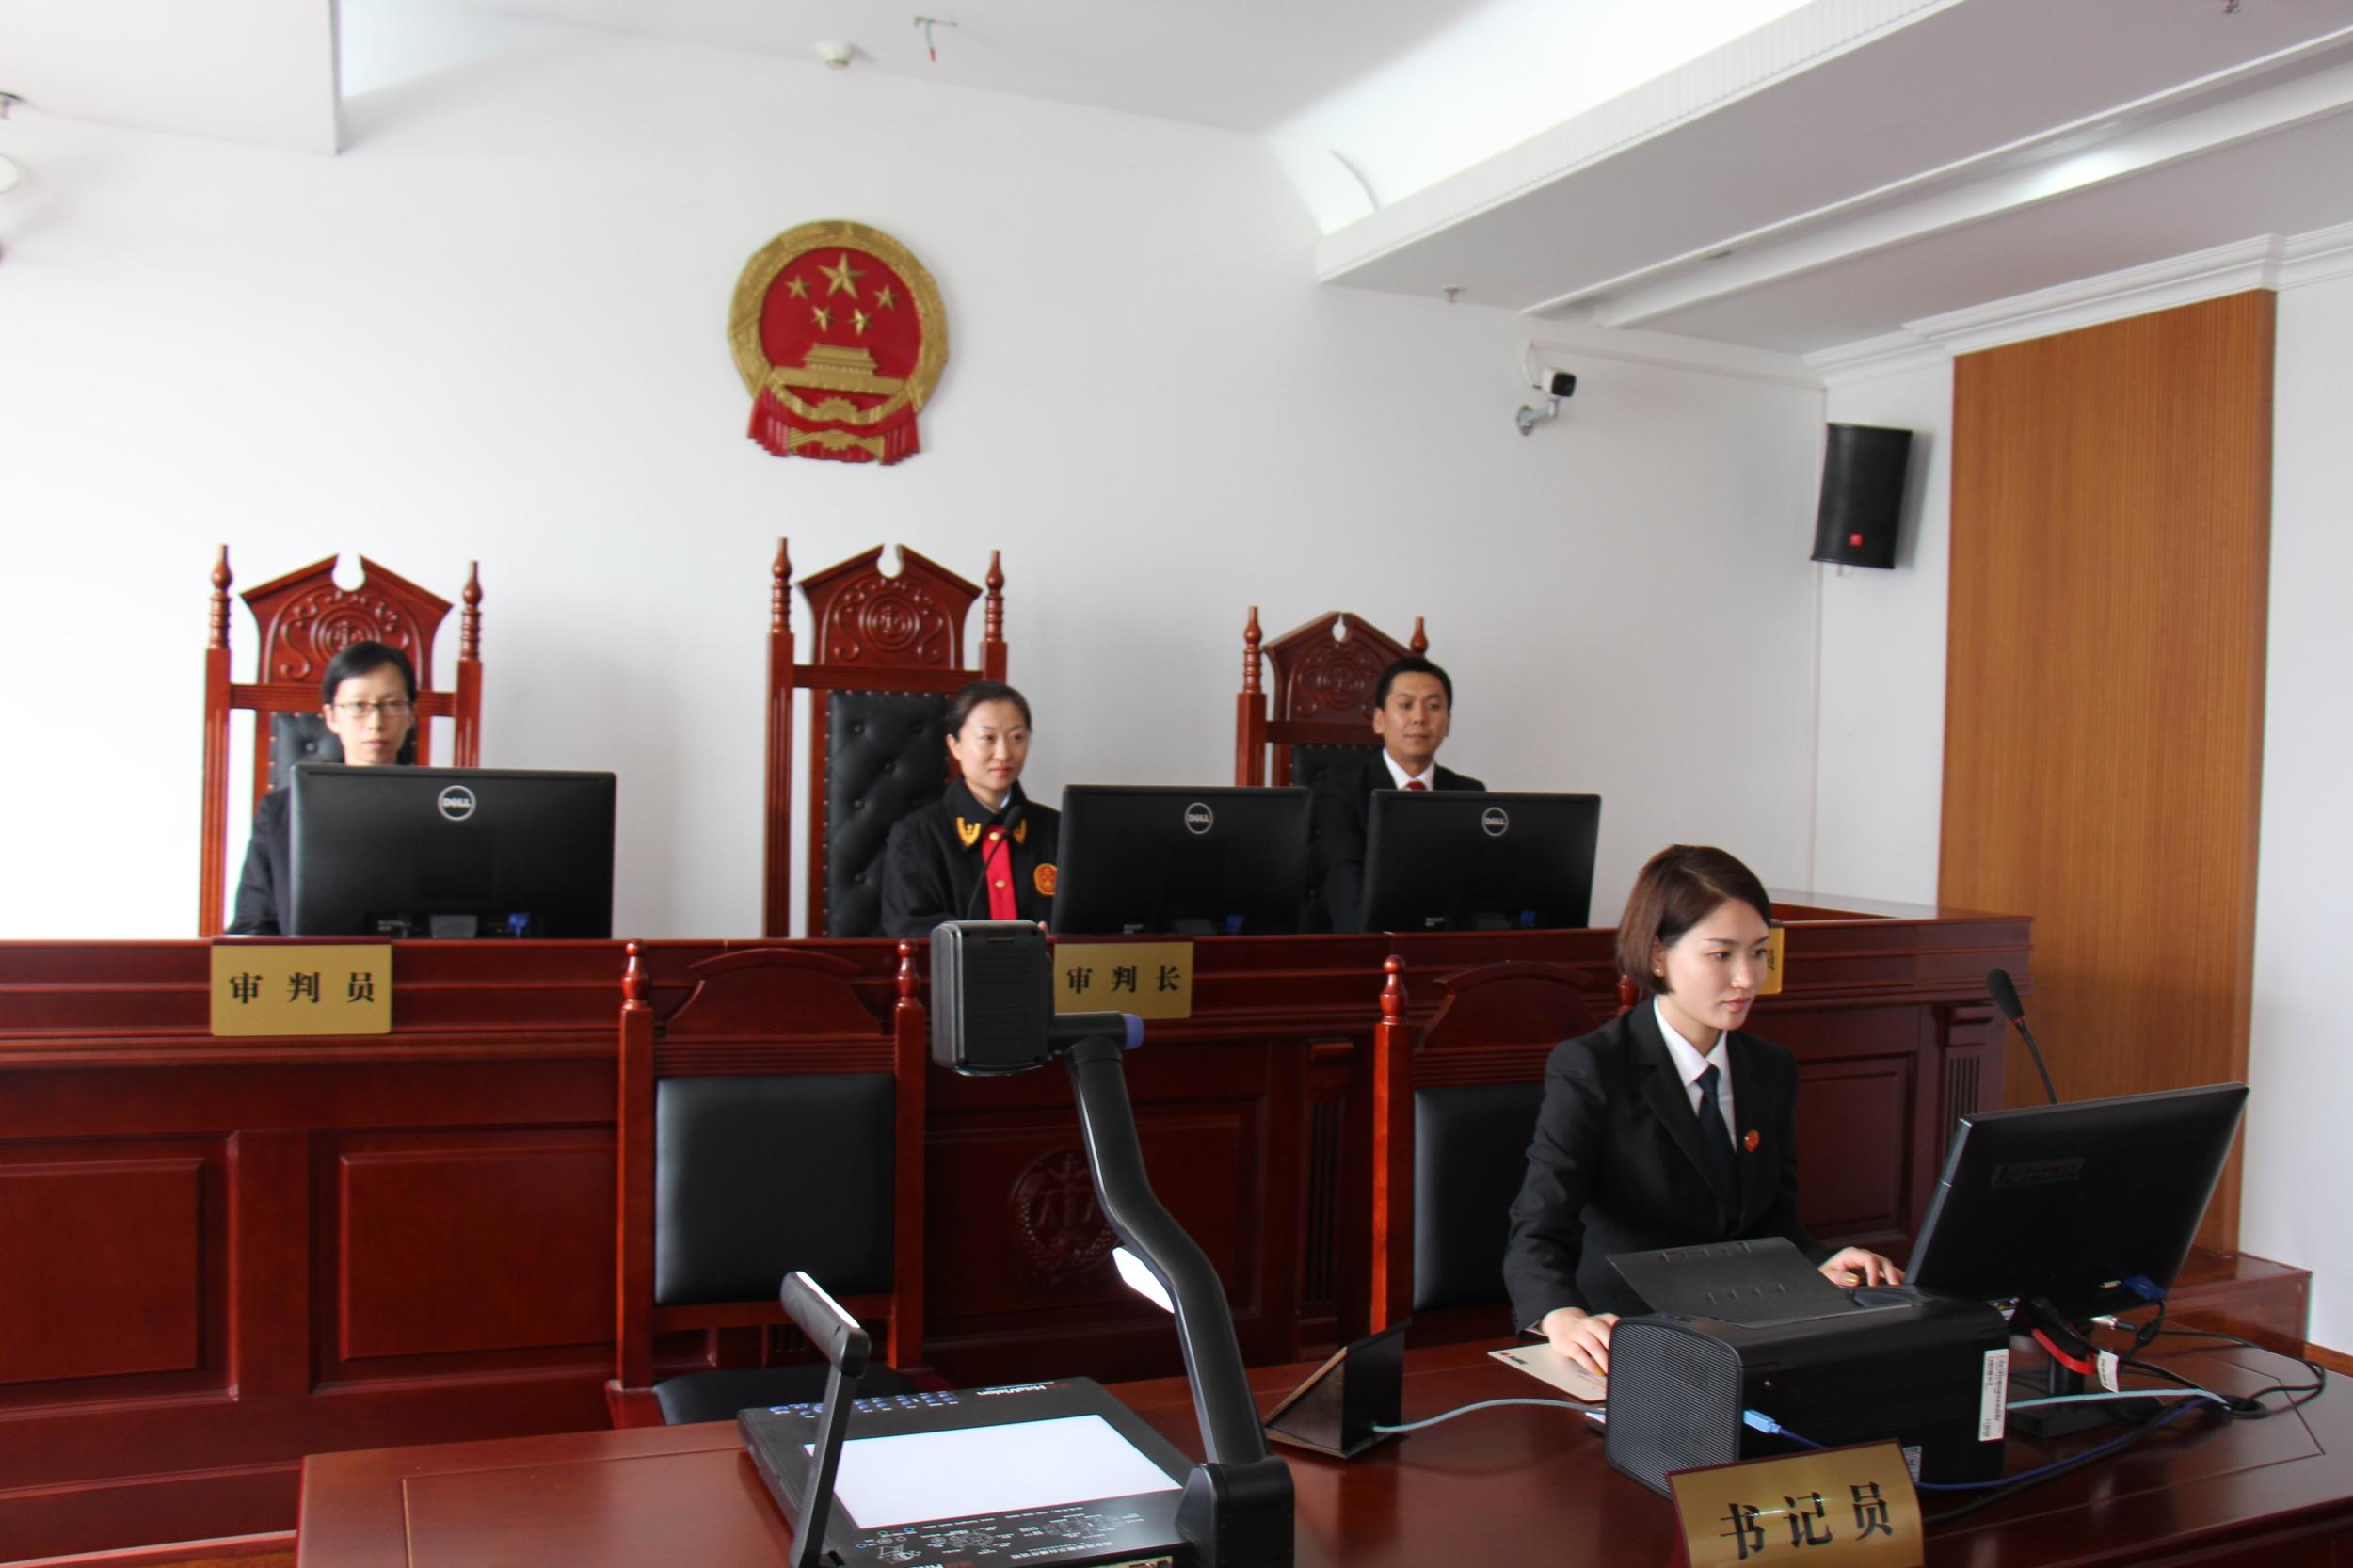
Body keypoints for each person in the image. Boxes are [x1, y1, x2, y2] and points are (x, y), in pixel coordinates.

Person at [1502, 844, 1903, 1375]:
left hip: (1743, 1333)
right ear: (1657, 954)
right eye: (1721, 955)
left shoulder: (1770, 1067)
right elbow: (1538, 1230)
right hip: (1625, 1336)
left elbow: (1773, 1226)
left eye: (1758, 952)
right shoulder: (1592, 1067)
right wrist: (1562, 1317)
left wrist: (1821, 1263)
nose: (1747, 978)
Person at [227, 640, 421, 936]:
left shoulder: (445, 807)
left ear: (410, 715)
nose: (375, 722)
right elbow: (252, 926)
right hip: (311, 962)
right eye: (358, 706)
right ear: (331, 717)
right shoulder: (281, 813)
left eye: (392, 704)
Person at [1309, 655, 1483, 933]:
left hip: (1448, 946)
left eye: (1434, 706)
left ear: (1448, 723)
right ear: (1379, 720)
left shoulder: (1470, 794)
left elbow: (1478, 893)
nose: (1420, 717)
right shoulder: (1339, 794)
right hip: (1371, 944)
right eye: (1405, 705)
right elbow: (1344, 885)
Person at [879, 680, 1061, 938]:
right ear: (955, 746)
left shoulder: (1060, 830)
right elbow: (910, 928)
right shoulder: (917, 836)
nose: (1003, 753)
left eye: (1017, 738)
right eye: (988, 738)